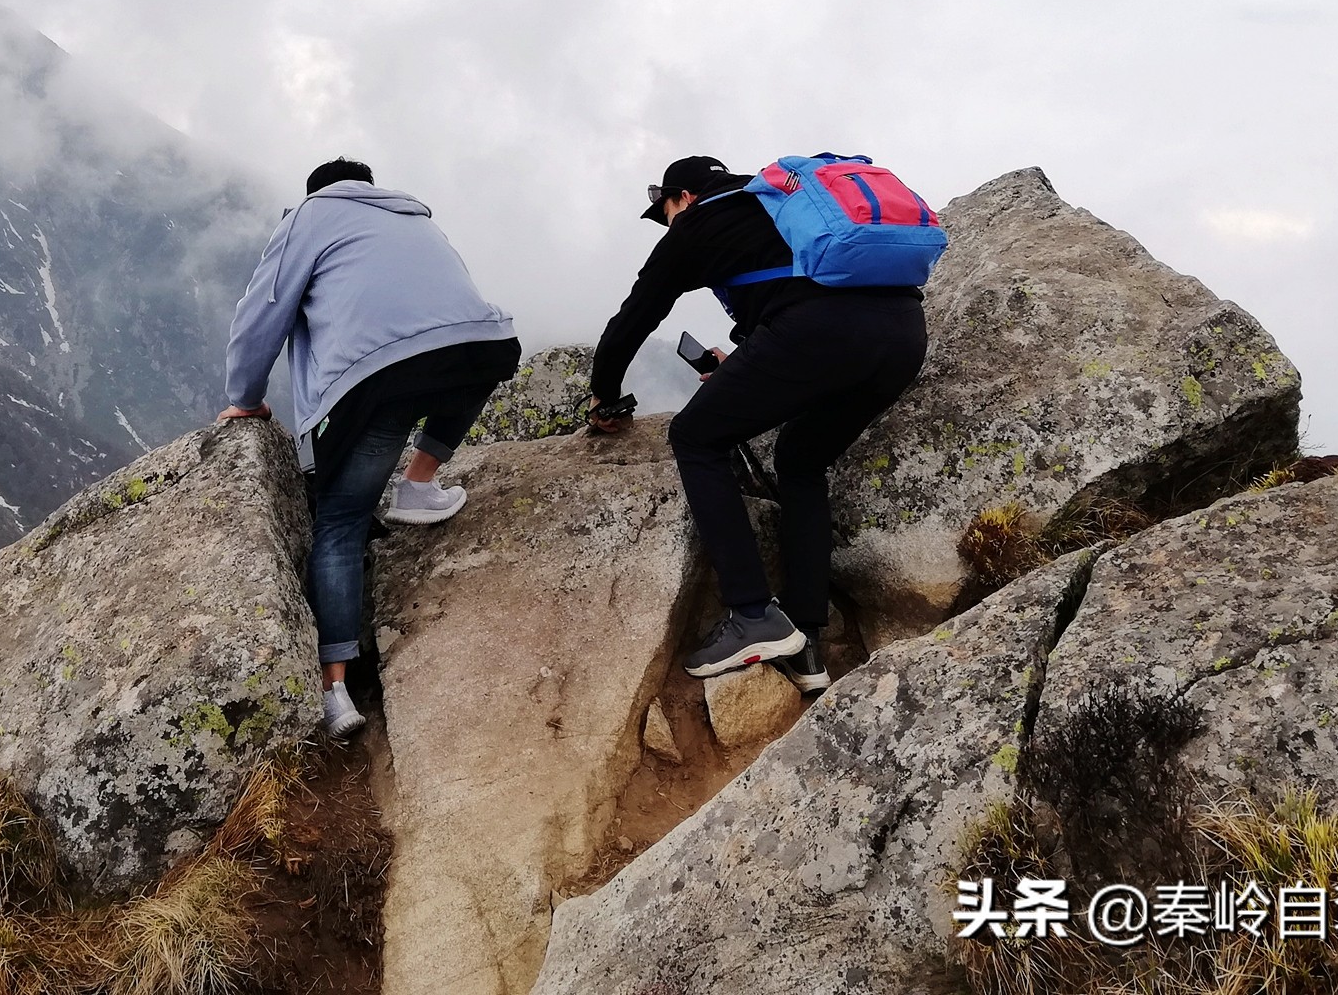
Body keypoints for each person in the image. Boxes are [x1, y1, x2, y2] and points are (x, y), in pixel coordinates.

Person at [588, 154, 928, 691]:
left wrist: (605, 396)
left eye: (666, 211)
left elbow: (634, 319)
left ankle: (752, 614)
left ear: (683, 197)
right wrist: (742, 364)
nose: (668, 224)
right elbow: (794, 288)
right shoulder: (782, 204)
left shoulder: (698, 223)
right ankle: (807, 643)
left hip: (816, 332)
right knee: (800, 460)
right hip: (904, 336)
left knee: (696, 437)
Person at [217, 157, 520, 741]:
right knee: (463, 370)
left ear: (316, 192)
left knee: (341, 520)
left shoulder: (310, 215)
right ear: (368, 187)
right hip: (480, 345)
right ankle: (420, 482)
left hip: (376, 378)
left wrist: (245, 397)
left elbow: (263, 314)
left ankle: (336, 691)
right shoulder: (416, 217)